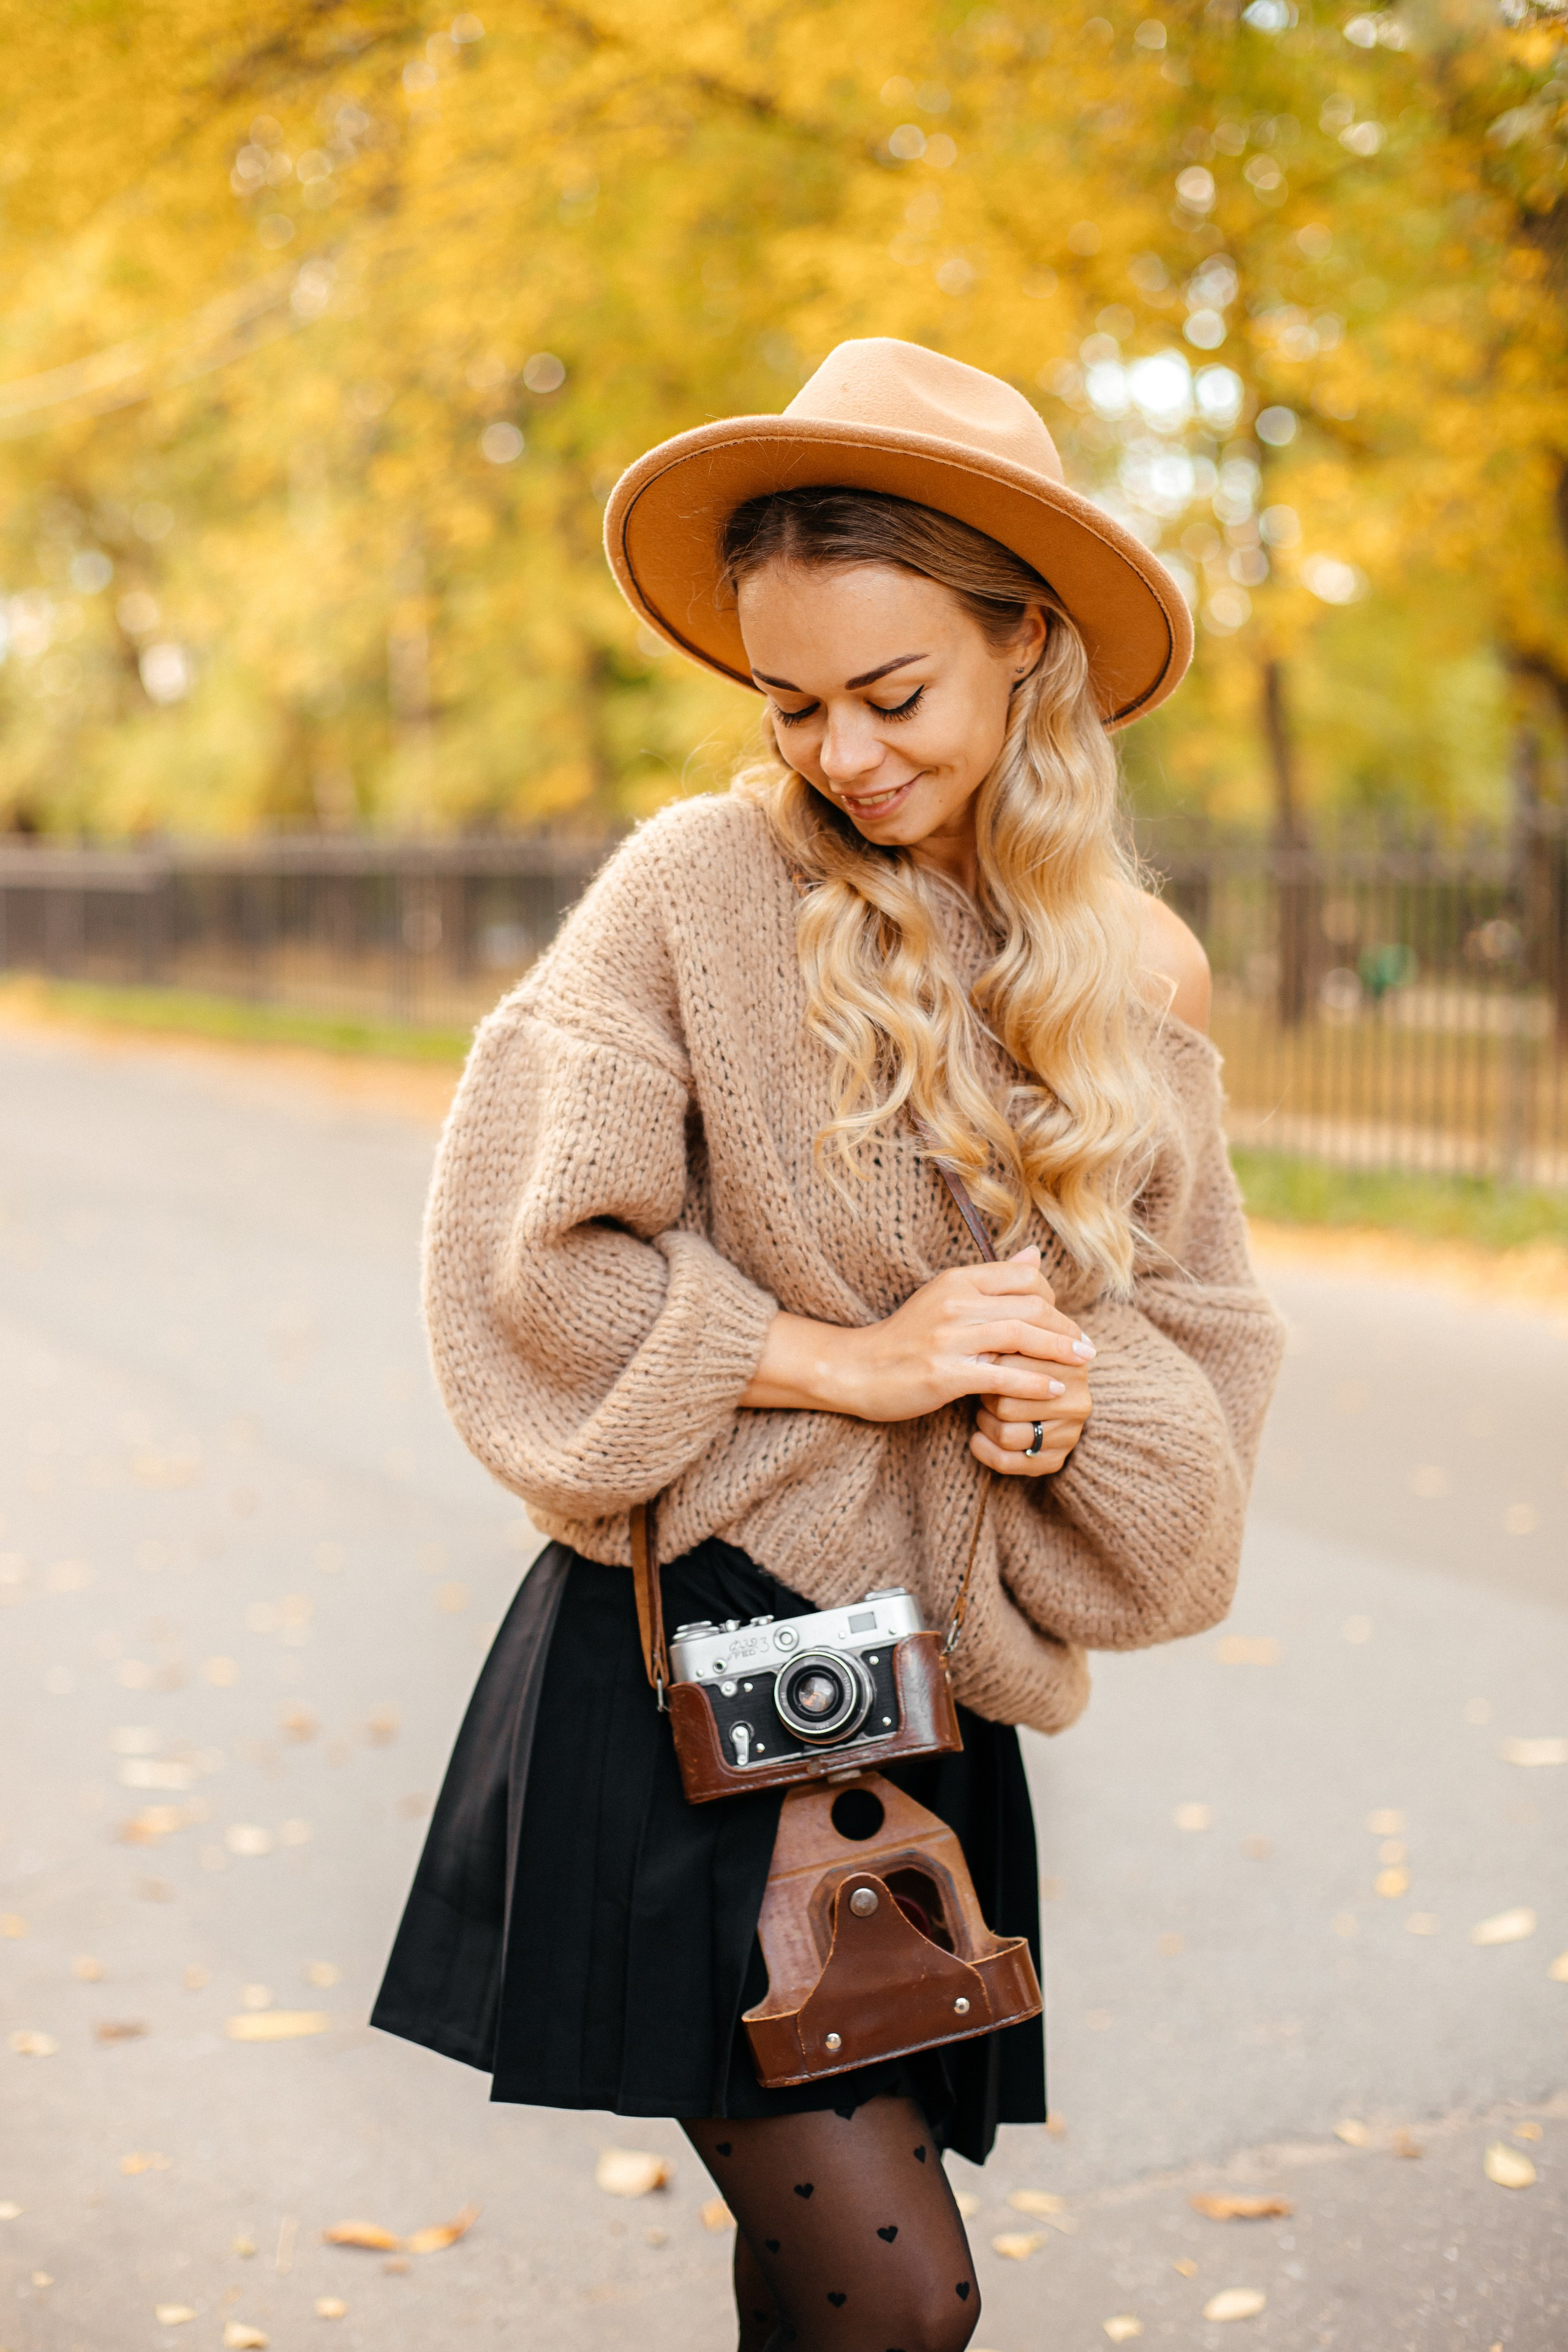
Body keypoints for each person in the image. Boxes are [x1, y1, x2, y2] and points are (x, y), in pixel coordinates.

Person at [373, 338, 1286, 2352]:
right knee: (900, 2305)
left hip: (924, 1712)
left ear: (1026, 645)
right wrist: (845, 1360)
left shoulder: (1138, 972)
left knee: (815, 2298)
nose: (843, 754)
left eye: (895, 694)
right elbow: (520, 1279)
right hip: (682, 1683)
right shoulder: (691, 894)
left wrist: (1064, 1416)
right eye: (791, 704)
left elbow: (1201, 1351)